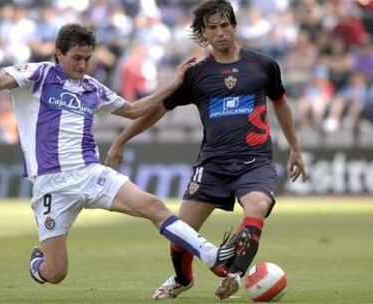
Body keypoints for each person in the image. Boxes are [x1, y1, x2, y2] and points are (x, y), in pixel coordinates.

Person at [0, 23, 245, 288]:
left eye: (87, 59)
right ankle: (38, 263)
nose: (83, 65)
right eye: (76, 58)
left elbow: (133, 109)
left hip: (90, 172)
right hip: (51, 183)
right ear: (58, 53)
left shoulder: (93, 88)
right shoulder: (40, 74)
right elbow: (0, 82)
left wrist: (174, 84)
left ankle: (210, 254)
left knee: (153, 206)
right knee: (56, 273)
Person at [106, 0, 307, 300]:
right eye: (212, 28)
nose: (221, 33)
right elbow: (157, 110)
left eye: (225, 25)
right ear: (203, 33)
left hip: (255, 162)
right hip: (212, 165)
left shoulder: (263, 65)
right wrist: (121, 140)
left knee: (256, 209)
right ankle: (182, 278)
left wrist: (294, 148)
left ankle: (235, 275)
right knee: (180, 233)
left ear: (234, 26)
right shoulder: (196, 74)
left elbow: (280, 103)